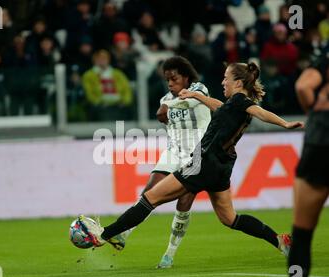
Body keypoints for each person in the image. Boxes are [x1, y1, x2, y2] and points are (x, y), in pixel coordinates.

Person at [80, 62, 303, 261]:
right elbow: (219, 106)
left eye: (226, 77)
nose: (222, 81)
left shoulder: (242, 103)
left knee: (149, 198)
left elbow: (259, 112)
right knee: (229, 218)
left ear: (238, 82)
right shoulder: (235, 103)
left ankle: (104, 235)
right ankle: (279, 240)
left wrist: (284, 124)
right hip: (222, 167)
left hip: (202, 164)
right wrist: (197, 96)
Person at [131, 56, 211, 268]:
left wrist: (168, 106)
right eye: (167, 80)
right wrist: (166, 106)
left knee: (183, 204)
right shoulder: (165, 99)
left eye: (174, 79)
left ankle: (170, 253)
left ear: (185, 77)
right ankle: (123, 233)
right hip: (174, 151)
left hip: (197, 153)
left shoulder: (199, 89)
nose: (170, 84)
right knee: (149, 190)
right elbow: (164, 117)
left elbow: (192, 101)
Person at [288, 54, 329, 277]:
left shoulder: (324, 57)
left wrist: (314, 113)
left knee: (301, 236)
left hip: (321, 137)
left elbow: (303, 85)